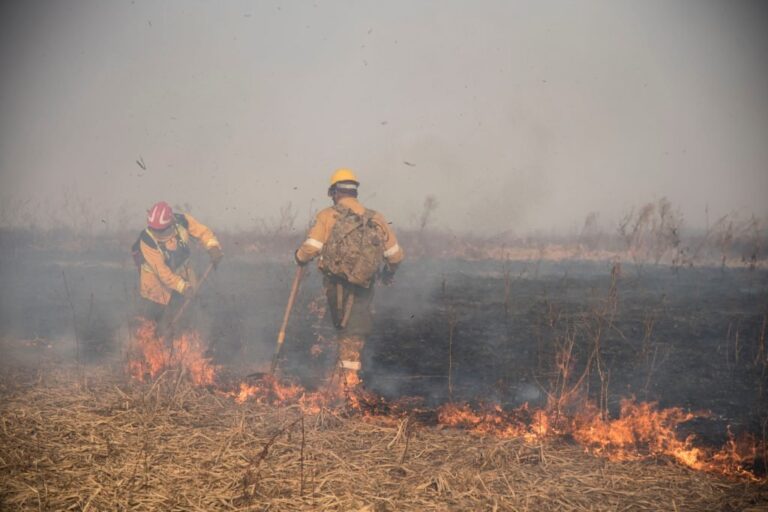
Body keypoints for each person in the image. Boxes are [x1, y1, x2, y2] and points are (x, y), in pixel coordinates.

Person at [294, 168, 404, 390]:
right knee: (354, 334)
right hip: (364, 286)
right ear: (355, 192)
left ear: (334, 192)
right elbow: (396, 255)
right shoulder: (376, 218)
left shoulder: (328, 215)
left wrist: (299, 257)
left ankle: (338, 385)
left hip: (336, 285)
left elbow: (311, 248)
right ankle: (347, 384)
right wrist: (387, 274)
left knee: (333, 329)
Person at [132, 201, 223, 327]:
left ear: (171, 223)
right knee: (151, 323)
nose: (157, 234)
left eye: (161, 231)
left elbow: (203, 232)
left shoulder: (183, 221)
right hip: (155, 287)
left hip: (183, 274)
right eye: (154, 230)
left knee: (186, 317)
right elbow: (163, 273)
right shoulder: (147, 240)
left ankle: (180, 338)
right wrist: (183, 287)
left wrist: (213, 247)